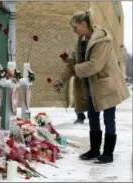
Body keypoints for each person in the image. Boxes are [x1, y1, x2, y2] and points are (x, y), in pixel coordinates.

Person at [53, 9, 130, 164]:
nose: (74, 30)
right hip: (90, 87)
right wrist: (61, 81)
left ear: (83, 23)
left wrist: (76, 69)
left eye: (75, 27)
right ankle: (94, 150)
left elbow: (94, 66)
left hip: (107, 85)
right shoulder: (81, 41)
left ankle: (108, 153)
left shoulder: (102, 40)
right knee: (93, 118)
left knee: (109, 119)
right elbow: (73, 64)